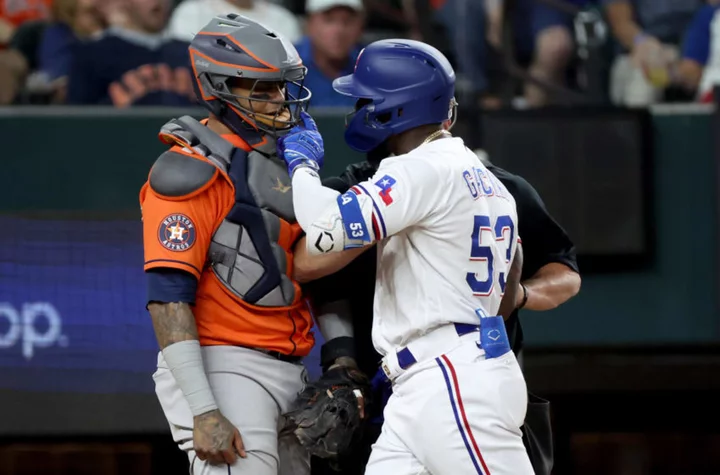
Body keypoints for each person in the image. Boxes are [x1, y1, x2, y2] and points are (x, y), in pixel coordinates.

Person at [277, 39, 534, 474]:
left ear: (395, 106)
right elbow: (507, 296)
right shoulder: (489, 183)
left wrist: (302, 167)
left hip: (451, 378)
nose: (360, 106)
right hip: (433, 376)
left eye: (366, 98)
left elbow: (324, 229)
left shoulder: (421, 168)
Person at [139, 13, 356, 475]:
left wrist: (341, 355)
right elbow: (167, 298)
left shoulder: (286, 163)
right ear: (220, 86)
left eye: (281, 86)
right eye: (263, 88)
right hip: (225, 366)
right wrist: (202, 409)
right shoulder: (191, 170)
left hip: (292, 368)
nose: (280, 100)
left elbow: (308, 269)